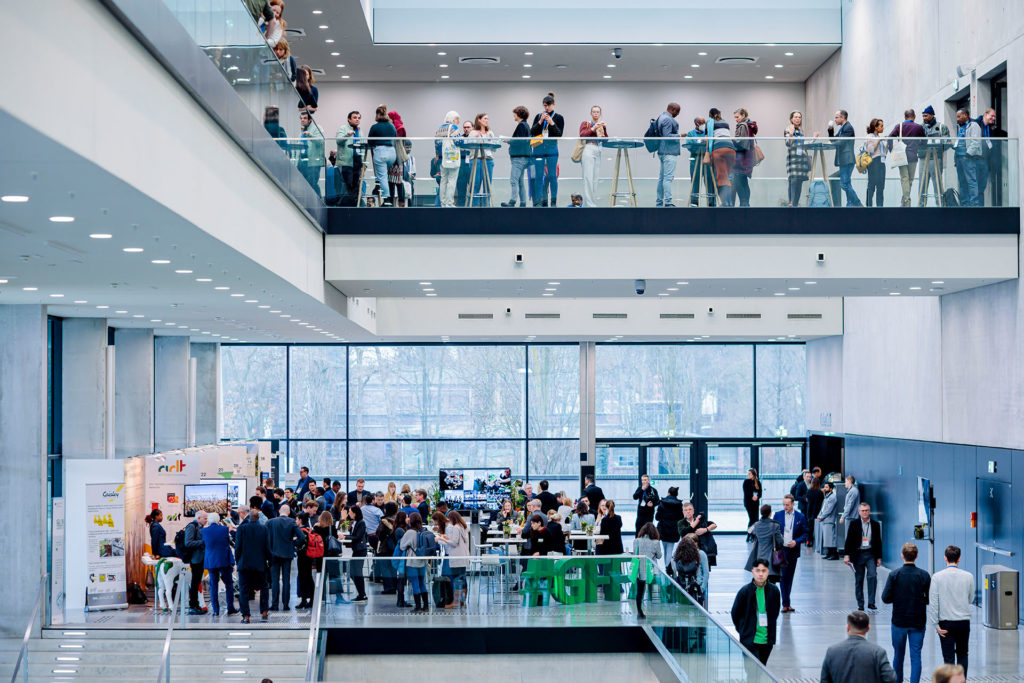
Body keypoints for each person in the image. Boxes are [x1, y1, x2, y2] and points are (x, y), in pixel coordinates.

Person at [883, 542, 931, 683]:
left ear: (902, 556)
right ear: (917, 556)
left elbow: (885, 598)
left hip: (899, 621)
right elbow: (929, 599)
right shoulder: (924, 575)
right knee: (916, 656)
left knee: (898, 655)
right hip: (918, 621)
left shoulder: (894, 575)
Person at [820, 611, 898, 683]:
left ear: (848, 628)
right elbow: (890, 678)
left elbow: (824, 680)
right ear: (868, 628)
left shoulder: (832, 651)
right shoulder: (878, 652)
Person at [931, 545, 974, 676]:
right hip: (963, 622)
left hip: (946, 623)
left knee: (948, 657)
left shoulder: (937, 577)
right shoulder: (968, 576)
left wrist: (935, 624)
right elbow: (971, 599)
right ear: (959, 559)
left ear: (945, 558)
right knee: (963, 654)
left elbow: (934, 603)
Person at [730, 559, 781, 667]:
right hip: (749, 640)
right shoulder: (745, 592)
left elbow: (775, 613)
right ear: (752, 572)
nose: (761, 574)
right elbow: (735, 613)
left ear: (768, 572)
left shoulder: (774, 591)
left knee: (761, 670)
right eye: (758, 571)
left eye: (764, 571)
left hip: (767, 641)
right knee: (752, 672)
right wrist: (743, 630)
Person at [235, 505, 271, 623]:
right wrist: (269, 561)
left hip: (244, 564)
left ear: (249, 517)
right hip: (260, 565)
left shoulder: (241, 528)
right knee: (264, 587)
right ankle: (264, 611)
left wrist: (238, 561)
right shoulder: (264, 529)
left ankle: (246, 616)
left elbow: (238, 548)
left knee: (244, 590)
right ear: (258, 518)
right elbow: (267, 548)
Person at [845, 502, 883, 611]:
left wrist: (879, 557)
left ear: (869, 511)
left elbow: (878, 542)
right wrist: (847, 555)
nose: (865, 512)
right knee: (859, 579)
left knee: (872, 576)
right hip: (858, 555)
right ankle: (860, 604)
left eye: (866, 510)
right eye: (863, 511)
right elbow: (849, 540)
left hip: (870, 554)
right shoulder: (854, 524)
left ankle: (871, 603)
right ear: (859, 512)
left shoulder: (875, 525)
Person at [773, 494, 808, 612]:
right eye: (784, 504)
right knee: (783, 577)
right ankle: (785, 603)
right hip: (781, 550)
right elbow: (773, 531)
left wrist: (796, 542)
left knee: (790, 577)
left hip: (793, 550)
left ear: (793, 504)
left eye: (787, 505)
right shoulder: (778, 515)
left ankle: (787, 602)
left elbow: (806, 533)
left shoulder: (800, 517)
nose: (785, 507)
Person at [266, 504, 302, 611]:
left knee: (275, 580)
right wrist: (293, 545)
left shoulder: (270, 522)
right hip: (287, 554)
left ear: (279, 511)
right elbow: (302, 536)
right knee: (286, 579)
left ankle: (275, 604)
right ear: (289, 512)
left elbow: (266, 538)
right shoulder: (292, 522)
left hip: (274, 554)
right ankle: (286, 604)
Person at [530, 93, 563, 207]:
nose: (546, 108)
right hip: (538, 149)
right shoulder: (539, 116)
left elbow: (559, 134)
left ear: (553, 104)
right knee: (539, 175)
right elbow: (532, 132)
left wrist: (551, 123)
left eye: (548, 105)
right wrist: (540, 121)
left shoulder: (559, 117)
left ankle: (553, 201)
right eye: (545, 106)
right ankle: (539, 201)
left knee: (552, 175)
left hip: (552, 149)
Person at [200, 512, 236, 617]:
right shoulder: (224, 529)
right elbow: (228, 542)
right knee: (229, 584)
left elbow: (204, 544)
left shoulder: (204, 531)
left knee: (213, 586)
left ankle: (216, 611)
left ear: (208, 521)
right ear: (218, 520)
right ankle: (230, 608)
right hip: (224, 560)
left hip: (211, 561)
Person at [888, 109, 927, 207]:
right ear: (914, 116)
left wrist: (892, 151)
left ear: (905, 117)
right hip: (913, 155)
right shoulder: (919, 127)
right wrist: (918, 145)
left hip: (901, 156)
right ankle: (907, 201)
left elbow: (889, 138)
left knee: (904, 178)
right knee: (910, 179)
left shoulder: (899, 126)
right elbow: (924, 141)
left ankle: (905, 201)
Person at [399, 512, 435, 613]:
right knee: (422, 583)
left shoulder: (409, 532)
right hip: (422, 561)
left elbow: (402, 546)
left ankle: (418, 607)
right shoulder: (423, 531)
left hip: (412, 561)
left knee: (415, 583)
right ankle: (426, 606)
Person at [828, 109, 862, 206]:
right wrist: (830, 130)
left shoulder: (848, 128)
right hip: (844, 160)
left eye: (836, 117)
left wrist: (831, 144)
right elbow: (833, 139)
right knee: (847, 183)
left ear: (842, 118)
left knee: (844, 184)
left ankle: (857, 203)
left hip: (847, 159)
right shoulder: (842, 128)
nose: (835, 120)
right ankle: (850, 204)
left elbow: (841, 142)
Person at [367, 106, 399, 207]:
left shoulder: (375, 127)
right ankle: (378, 185)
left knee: (383, 176)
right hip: (392, 153)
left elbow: (370, 142)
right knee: (384, 173)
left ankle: (387, 200)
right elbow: (395, 137)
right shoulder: (392, 126)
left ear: (377, 115)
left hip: (381, 152)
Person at [578, 105, 608, 207]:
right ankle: (589, 204)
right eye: (594, 112)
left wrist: (604, 129)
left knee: (595, 178)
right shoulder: (585, 123)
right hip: (588, 148)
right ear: (591, 113)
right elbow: (582, 135)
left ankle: (591, 202)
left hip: (598, 149)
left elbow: (606, 140)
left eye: (597, 112)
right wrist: (593, 128)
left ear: (600, 114)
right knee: (588, 177)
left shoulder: (601, 125)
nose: (595, 114)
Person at [920, 106, 951, 206]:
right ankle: (920, 207)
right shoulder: (920, 128)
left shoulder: (942, 127)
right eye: (923, 116)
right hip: (923, 158)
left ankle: (940, 206)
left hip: (936, 158)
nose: (924, 118)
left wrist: (937, 147)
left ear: (932, 115)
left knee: (937, 184)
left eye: (926, 115)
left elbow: (947, 142)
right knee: (922, 185)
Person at [438, 510, 469, 607]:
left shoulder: (456, 527)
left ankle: (455, 602)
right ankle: (462, 601)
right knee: (462, 578)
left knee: (455, 578)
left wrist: (443, 539)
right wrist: (448, 538)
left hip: (456, 556)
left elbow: (454, 543)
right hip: (464, 556)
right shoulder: (463, 527)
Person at [746, 504, 784, 583]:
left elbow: (749, 531)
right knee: (771, 583)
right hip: (771, 559)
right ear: (770, 513)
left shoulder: (757, 525)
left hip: (759, 557)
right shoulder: (775, 526)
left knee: (761, 582)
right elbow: (780, 542)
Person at [503, 106, 532, 207]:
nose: (514, 115)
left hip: (519, 157)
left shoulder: (521, 125)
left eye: (515, 114)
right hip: (524, 157)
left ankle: (512, 201)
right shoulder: (526, 125)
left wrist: (509, 141)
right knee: (520, 181)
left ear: (519, 114)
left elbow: (520, 141)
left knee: (513, 180)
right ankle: (523, 202)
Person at [954, 108, 983, 207]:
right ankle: (964, 204)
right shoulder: (961, 127)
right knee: (962, 182)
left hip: (968, 158)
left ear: (965, 115)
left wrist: (968, 154)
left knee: (971, 181)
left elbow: (976, 142)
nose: (957, 119)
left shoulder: (973, 125)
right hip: (958, 157)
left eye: (959, 116)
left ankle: (974, 205)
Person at [632, 523, 662, 619]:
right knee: (652, 588)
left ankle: (639, 611)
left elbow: (635, 554)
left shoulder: (636, 541)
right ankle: (652, 608)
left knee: (640, 591)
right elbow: (659, 556)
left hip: (639, 570)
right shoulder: (656, 542)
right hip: (651, 570)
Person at [466, 112, 495, 207]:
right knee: (475, 184)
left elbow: (494, 149)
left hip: (488, 160)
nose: (487, 120)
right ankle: (475, 206)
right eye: (485, 118)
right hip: (476, 159)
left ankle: (487, 206)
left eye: (487, 119)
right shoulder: (473, 132)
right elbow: (468, 146)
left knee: (488, 184)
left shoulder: (490, 132)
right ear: (479, 120)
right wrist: (474, 138)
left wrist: (491, 140)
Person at [707, 108, 736, 206]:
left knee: (721, 177)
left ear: (710, 114)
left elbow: (708, 138)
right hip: (731, 150)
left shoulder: (710, 122)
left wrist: (707, 152)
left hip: (719, 149)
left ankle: (724, 203)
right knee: (727, 177)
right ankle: (729, 203)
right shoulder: (725, 122)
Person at [655, 103, 682, 207]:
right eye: (677, 111)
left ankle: (659, 202)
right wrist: (680, 135)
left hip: (662, 151)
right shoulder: (667, 119)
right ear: (673, 109)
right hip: (669, 152)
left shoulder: (661, 117)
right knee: (668, 178)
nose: (678, 114)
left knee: (662, 178)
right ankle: (668, 202)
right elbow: (667, 136)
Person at [731, 108, 758, 207]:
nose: (736, 119)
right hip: (747, 158)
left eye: (737, 117)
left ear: (743, 116)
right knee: (744, 183)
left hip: (741, 159)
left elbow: (740, 143)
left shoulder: (743, 126)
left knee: (739, 183)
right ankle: (746, 205)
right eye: (735, 117)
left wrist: (730, 141)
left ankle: (744, 205)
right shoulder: (749, 125)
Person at [182, 510, 207, 615]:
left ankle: (196, 605)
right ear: (198, 518)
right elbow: (188, 543)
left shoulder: (200, 527)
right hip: (195, 559)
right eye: (205, 518)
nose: (206, 520)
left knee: (197, 582)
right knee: (194, 582)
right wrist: (203, 542)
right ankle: (192, 606)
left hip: (200, 558)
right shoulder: (191, 527)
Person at [678, 501, 718, 566]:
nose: (688, 511)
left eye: (690, 509)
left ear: (693, 511)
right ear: (683, 512)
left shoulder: (700, 521)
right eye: (686, 510)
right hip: (687, 550)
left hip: (701, 549)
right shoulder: (681, 522)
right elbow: (684, 532)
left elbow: (714, 525)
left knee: (704, 566)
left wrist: (705, 530)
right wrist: (696, 521)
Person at [295, 499, 319, 609]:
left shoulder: (301, 530)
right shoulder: (309, 529)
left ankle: (305, 599)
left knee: (303, 577)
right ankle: (311, 599)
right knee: (308, 576)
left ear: (300, 520)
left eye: (296, 519)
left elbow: (299, 542)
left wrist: (294, 542)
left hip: (302, 556)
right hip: (309, 555)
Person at [336, 111, 363, 206]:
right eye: (355, 117)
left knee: (356, 185)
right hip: (346, 161)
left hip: (358, 161)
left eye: (359, 118)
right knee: (348, 184)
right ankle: (347, 205)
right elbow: (338, 141)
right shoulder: (343, 128)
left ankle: (355, 205)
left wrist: (364, 162)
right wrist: (347, 135)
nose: (357, 119)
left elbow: (362, 146)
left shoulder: (359, 131)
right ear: (349, 119)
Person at [784, 110, 810, 206]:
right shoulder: (788, 129)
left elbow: (802, 145)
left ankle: (795, 203)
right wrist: (791, 134)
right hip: (793, 159)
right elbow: (788, 143)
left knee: (799, 182)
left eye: (799, 117)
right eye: (795, 117)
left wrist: (813, 140)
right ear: (791, 119)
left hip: (802, 160)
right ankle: (791, 202)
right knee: (793, 180)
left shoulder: (801, 130)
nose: (798, 119)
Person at [685, 117, 714, 206]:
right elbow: (689, 146)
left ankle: (711, 203)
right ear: (696, 123)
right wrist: (700, 144)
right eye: (701, 123)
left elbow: (712, 145)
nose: (703, 125)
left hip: (708, 161)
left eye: (704, 123)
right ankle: (694, 203)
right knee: (695, 182)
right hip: (695, 160)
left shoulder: (708, 133)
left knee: (710, 182)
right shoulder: (690, 134)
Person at [341, 506, 368, 602]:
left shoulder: (361, 523)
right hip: (355, 550)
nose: (349, 513)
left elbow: (357, 537)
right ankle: (361, 593)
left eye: (350, 512)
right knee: (353, 572)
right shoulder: (353, 522)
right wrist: (343, 519)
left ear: (355, 513)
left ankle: (362, 594)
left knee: (357, 572)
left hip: (360, 550)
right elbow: (343, 529)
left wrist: (345, 537)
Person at [674, 535, 708, 607]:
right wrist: (702, 588)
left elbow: (674, 570)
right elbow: (706, 573)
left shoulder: (678, 555)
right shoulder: (700, 554)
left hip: (682, 587)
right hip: (696, 587)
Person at [655, 486, 683, 567]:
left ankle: (667, 567)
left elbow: (657, 517)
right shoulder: (679, 504)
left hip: (663, 529)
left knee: (665, 550)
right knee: (669, 550)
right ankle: (667, 568)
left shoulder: (662, 503)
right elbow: (681, 518)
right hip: (674, 530)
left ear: (668, 493)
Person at [977, 108, 1000, 205]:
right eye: (992, 116)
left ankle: (980, 208)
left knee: (982, 187)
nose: (994, 118)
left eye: (995, 117)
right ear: (985, 114)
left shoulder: (991, 128)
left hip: (985, 161)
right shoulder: (976, 125)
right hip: (976, 161)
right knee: (975, 187)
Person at [298, 109, 324, 195]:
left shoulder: (317, 128)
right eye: (301, 118)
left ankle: (318, 200)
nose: (302, 120)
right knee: (303, 184)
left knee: (312, 184)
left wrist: (310, 135)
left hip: (313, 162)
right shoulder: (302, 130)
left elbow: (320, 141)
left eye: (305, 118)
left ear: (310, 120)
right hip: (302, 161)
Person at [387, 110, 409, 207]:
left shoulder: (400, 128)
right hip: (391, 156)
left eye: (389, 118)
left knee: (398, 181)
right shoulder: (392, 127)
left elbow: (396, 140)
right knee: (390, 181)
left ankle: (401, 202)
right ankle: (391, 202)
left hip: (397, 156)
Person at [865, 118, 888, 207]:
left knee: (881, 187)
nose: (883, 128)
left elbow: (884, 153)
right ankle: (869, 206)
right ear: (876, 127)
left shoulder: (879, 137)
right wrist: (879, 141)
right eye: (881, 126)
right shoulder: (870, 136)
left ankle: (880, 207)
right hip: (874, 162)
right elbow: (871, 150)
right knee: (871, 186)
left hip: (881, 163)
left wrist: (887, 143)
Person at [818, 481, 841, 559]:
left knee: (830, 538)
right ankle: (829, 553)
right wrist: (819, 516)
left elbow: (829, 510)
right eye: (824, 487)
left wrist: (821, 517)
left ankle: (834, 554)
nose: (824, 488)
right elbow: (823, 508)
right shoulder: (827, 496)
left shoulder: (832, 497)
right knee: (827, 538)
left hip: (829, 519)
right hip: (825, 519)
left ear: (831, 488)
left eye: (826, 487)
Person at [742, 468, 762, 538]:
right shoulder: (746, 482)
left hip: (755, 503)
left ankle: (753, 534)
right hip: (748, 503)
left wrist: (757, 497)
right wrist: (752, 496)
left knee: (756, 519)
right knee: (752, 519)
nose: (748, 475)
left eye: (749, 473)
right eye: (748, 473)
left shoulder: (758, 482)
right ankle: (749, 534)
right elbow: (746, 492)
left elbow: (760, 493)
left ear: (753, 474)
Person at [806, 476, 824, 547]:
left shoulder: (809, 491)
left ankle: (808, 542)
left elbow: (807, 500)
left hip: (809, 511)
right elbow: (822, 502)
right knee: (817, 528)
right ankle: (817, 542)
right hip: (817, 511)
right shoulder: (820, 492)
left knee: (810, 528)